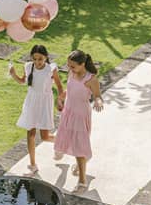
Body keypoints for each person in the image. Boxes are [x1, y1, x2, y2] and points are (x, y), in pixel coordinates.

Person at [53, 50, 103, 191]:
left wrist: (98, 102)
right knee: (71, 140)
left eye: (73, 66)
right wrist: (60, 99)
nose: (70, 69)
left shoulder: (91, 79)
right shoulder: (72, 73)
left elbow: (98, 95)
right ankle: (77, 160)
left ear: (82, 64)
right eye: (69, 66)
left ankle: (82, 182)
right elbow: (69, 90)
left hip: (80, 114)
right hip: (68, 111)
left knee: (79, 148)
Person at [8, 44, 63, 174]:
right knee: (30, 133)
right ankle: (33, 164)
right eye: (35, 59)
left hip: (45, 102)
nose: (37, 62)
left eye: (40, 59)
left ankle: (60, 143)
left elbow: (60, 87)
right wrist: (13, 74)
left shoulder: (51, 69)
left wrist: (60, 100)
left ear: (46, 57)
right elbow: (23, 81)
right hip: (31, 101)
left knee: (44, 137)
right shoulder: (28, 66)